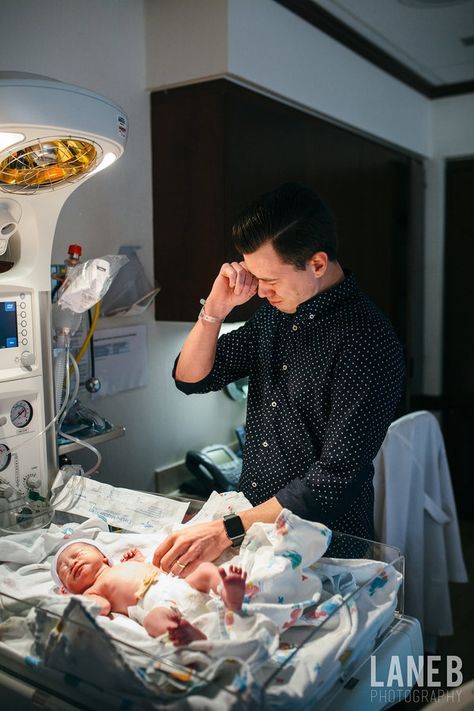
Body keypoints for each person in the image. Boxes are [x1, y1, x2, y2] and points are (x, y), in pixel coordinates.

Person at [153, 182, 405, 574]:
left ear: (317, 264)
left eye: (269, 280)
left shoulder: (367, 341)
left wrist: (225, 530)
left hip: (328, 547)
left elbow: (332, 480)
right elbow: (191, 378)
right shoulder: (276, 314)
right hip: (257, 533)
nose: (260, 291)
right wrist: (215, 311)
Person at [52, 539, 247, 645]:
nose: (73, 564)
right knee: (153, 622)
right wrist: (74, 599)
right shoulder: (92, 591)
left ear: (103, 556)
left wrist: (137, 558)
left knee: (205, 570)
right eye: (65, 570)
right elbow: (102, 607)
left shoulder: (122, 565)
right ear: (69, 588)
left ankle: (227, 591)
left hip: (177, 585)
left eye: (77, 555)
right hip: (157, 605)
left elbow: (148, 566)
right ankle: (187, 634)